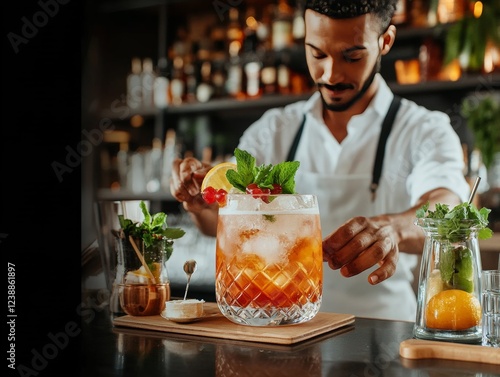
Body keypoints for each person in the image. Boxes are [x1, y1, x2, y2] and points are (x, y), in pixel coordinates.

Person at [169, 0, 470, 321]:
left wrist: (393, 229)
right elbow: (227, 220)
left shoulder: (424, 129)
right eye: (317, 54)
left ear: (385, 42)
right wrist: (202, 204)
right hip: (284, 329)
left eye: (352, 56)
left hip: (383, 331)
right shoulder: (274, 130)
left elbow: (447, 206)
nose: (331, 74)